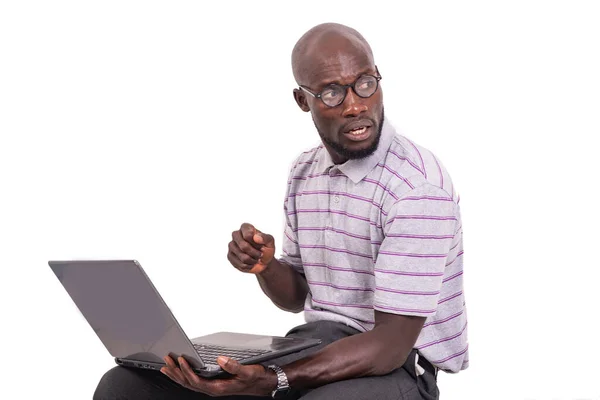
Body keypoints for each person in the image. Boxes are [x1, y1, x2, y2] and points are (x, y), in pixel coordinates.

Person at [94, 22, 468, 400]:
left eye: (366, 83)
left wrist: (274, 380)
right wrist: (267, 266)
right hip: (316, 345)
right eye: (332, 93)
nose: (355, 104)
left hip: (400, 366)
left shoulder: (418, 189)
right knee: (125, 387)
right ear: (302, 100)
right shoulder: (305, 172)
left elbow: (390, 345)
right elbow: (296, 296)